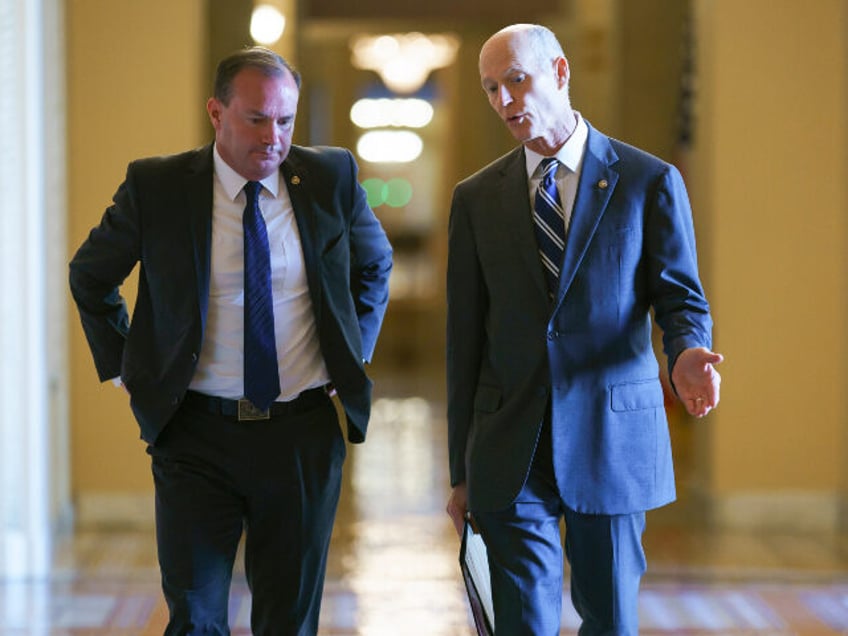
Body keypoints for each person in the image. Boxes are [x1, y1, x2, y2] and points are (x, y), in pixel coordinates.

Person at [69, 47, 392, 634]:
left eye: (286, 121)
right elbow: (90, 276)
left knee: (288, 621)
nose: (274, 136)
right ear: (216, 114)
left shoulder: (330, 177)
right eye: (257, 118)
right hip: (194, 434)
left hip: (300, 434)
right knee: (194, 616)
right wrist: (128, 366)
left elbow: (374, 266)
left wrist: (354, 348)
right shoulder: (158, 186)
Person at [445, 24, 722, 635]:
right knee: (520, 621)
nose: (504, 101)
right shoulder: (475, 199)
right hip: (509, 442)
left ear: (561, 71)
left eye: (517, 80)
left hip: (611, 433)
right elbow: (463, 342)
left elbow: (680, 298)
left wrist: (685, 352)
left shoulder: (648, 181)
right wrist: (459, 471)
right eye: (491, 88)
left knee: (611, 618)